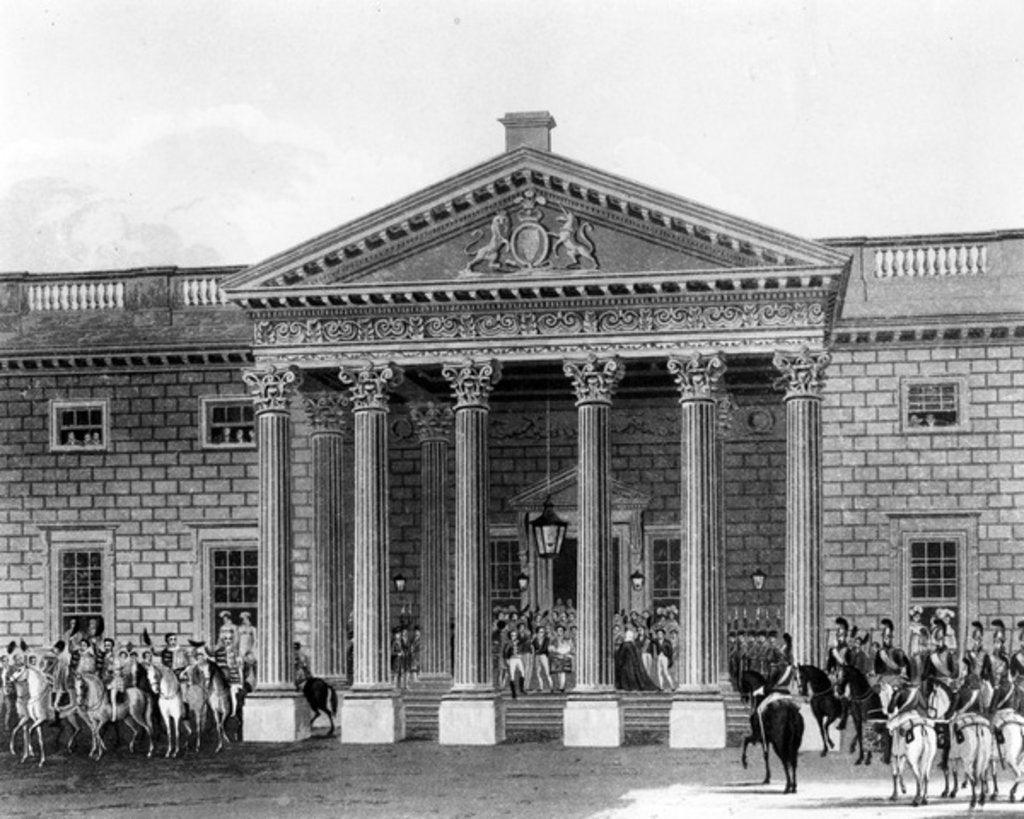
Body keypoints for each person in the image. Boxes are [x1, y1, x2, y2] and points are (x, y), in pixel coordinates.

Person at [614, 627, 660, 691]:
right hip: (633, 664)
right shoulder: (632, 644)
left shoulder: (625, 644)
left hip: (626, 665)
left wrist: (619, 662)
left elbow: (621, 655)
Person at [549, 624, 573, 694]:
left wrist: (565, 652)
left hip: (564, 656)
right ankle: (556, 686)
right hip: (557, 657)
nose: (560, 632)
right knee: (556, 672)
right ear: (556, 632)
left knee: (562, 673)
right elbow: (551, 648)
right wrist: (556, 651)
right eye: (558, 630)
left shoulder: (567, 639)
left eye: (561, 630)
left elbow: (569, 647)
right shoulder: (553, 640)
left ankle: (561, 687)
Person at [236, 611, 257, 689]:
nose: (245, 620)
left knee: (251, 668)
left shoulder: (253, 629)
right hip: (241, 651)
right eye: (243, 618)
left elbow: (256, 640)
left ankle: (252, 686)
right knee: (241, 669)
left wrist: (252, 650)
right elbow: (237, 641)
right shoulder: (239, 629)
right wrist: (238, 653)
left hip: (250, 651)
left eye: (246, 618)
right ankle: (242, 686)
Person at [531, 625, 552, 692]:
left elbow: (545, 649)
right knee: (538, 672)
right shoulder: (534, 640)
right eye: (540, 632)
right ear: (537, 633)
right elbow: (533, 648)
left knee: (547, 672)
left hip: (543, 656)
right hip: (537, 656)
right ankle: (541, 687)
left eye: (542, 632)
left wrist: (538, 651)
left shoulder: (546, 639)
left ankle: (551, 687)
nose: (541, 634)